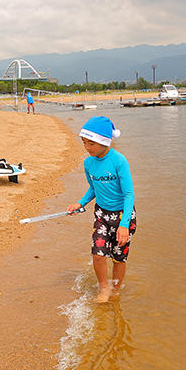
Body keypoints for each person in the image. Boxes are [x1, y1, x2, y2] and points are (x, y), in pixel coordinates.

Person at [66, 116, 136, 303]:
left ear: (104, 142)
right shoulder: (88, 163)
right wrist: (80, 203)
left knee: (118, 258)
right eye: (84, 143)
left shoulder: (119, 161)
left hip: (123, 215)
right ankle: (104, 288)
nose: (87, 148)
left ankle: (116, 288)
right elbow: (93, 188)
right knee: (98, 254)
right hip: (102, 214)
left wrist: (124, 224)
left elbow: (129, 194)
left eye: (91, 144)